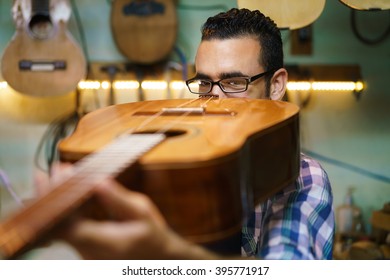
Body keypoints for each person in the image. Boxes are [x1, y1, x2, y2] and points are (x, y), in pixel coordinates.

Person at [53, 8, 335, 260]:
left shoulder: (304, 177)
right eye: (204, 83)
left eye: (234, 82)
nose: (214, 98)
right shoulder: (178, 167)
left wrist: (168, 252)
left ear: (275, 86)